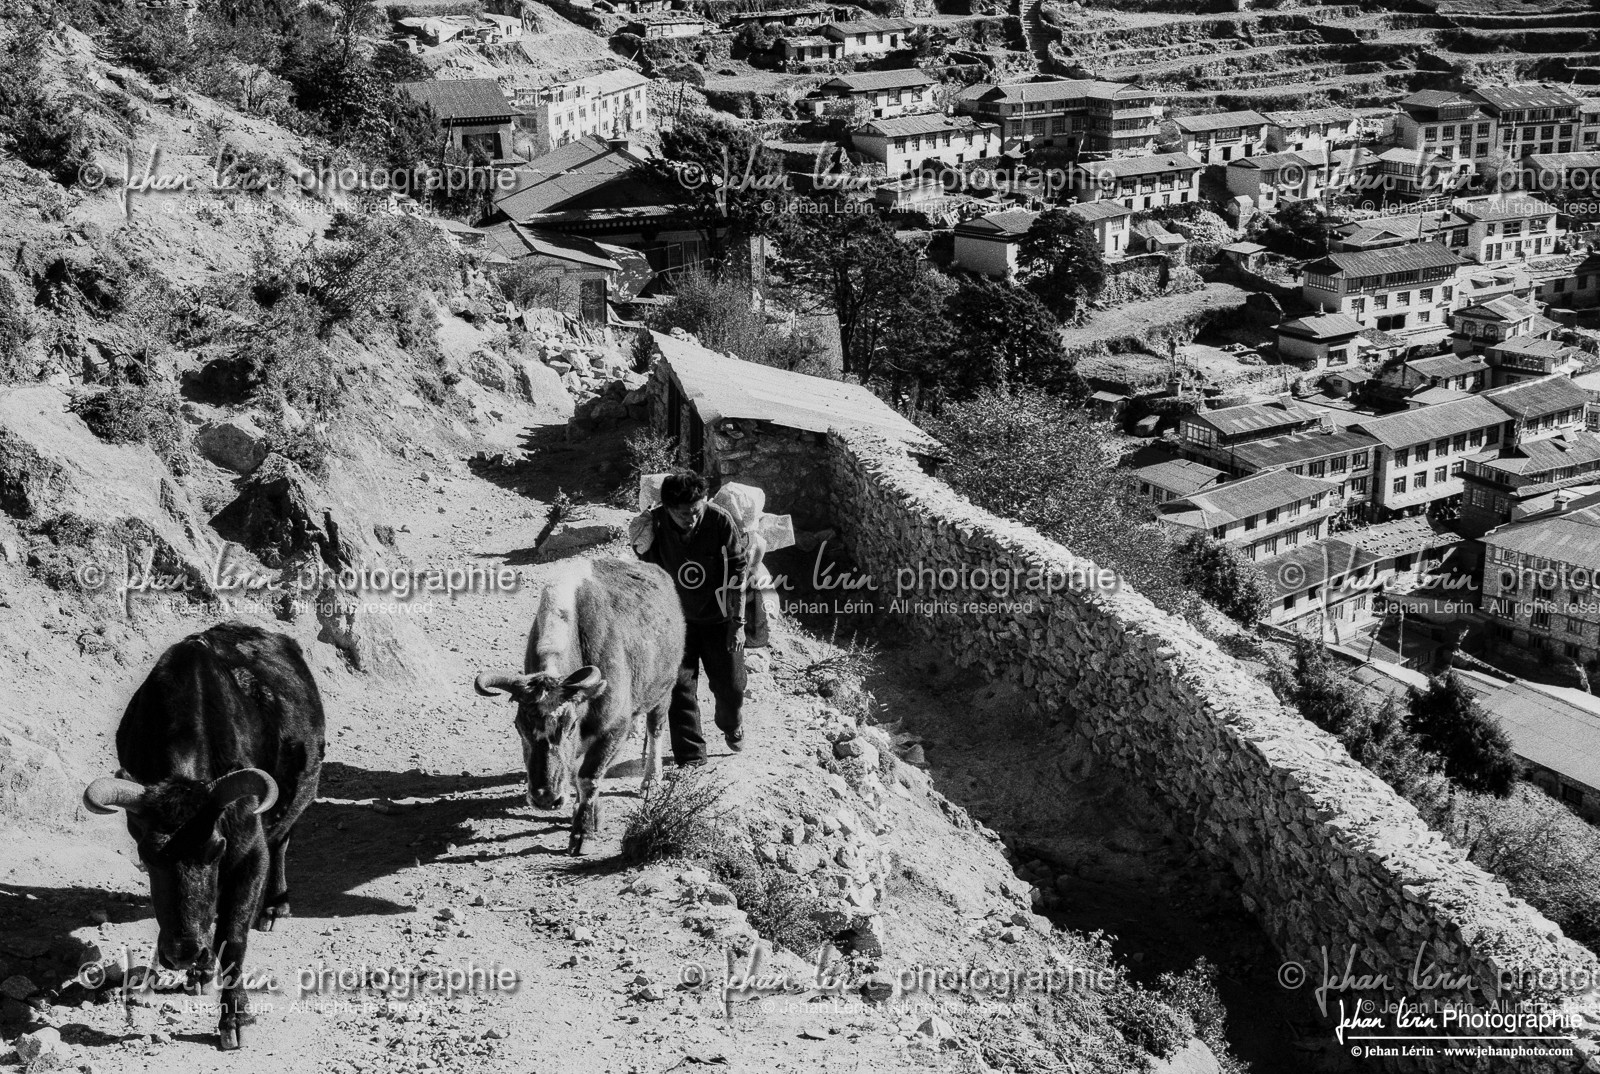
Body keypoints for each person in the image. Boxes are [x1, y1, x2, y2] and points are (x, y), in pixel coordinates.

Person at [632, 471, 748, 767]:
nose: (691, 519)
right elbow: (645, 571)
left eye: (697, 512)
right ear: (668, 508)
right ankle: (692, 757)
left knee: (731, 687)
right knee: (679, 689)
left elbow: (738, 572)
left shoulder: (720, 520)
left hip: (718, 620)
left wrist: (737, 624)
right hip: (674, 623)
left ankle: (731, 724)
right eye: (684, 514)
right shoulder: (654, 524)